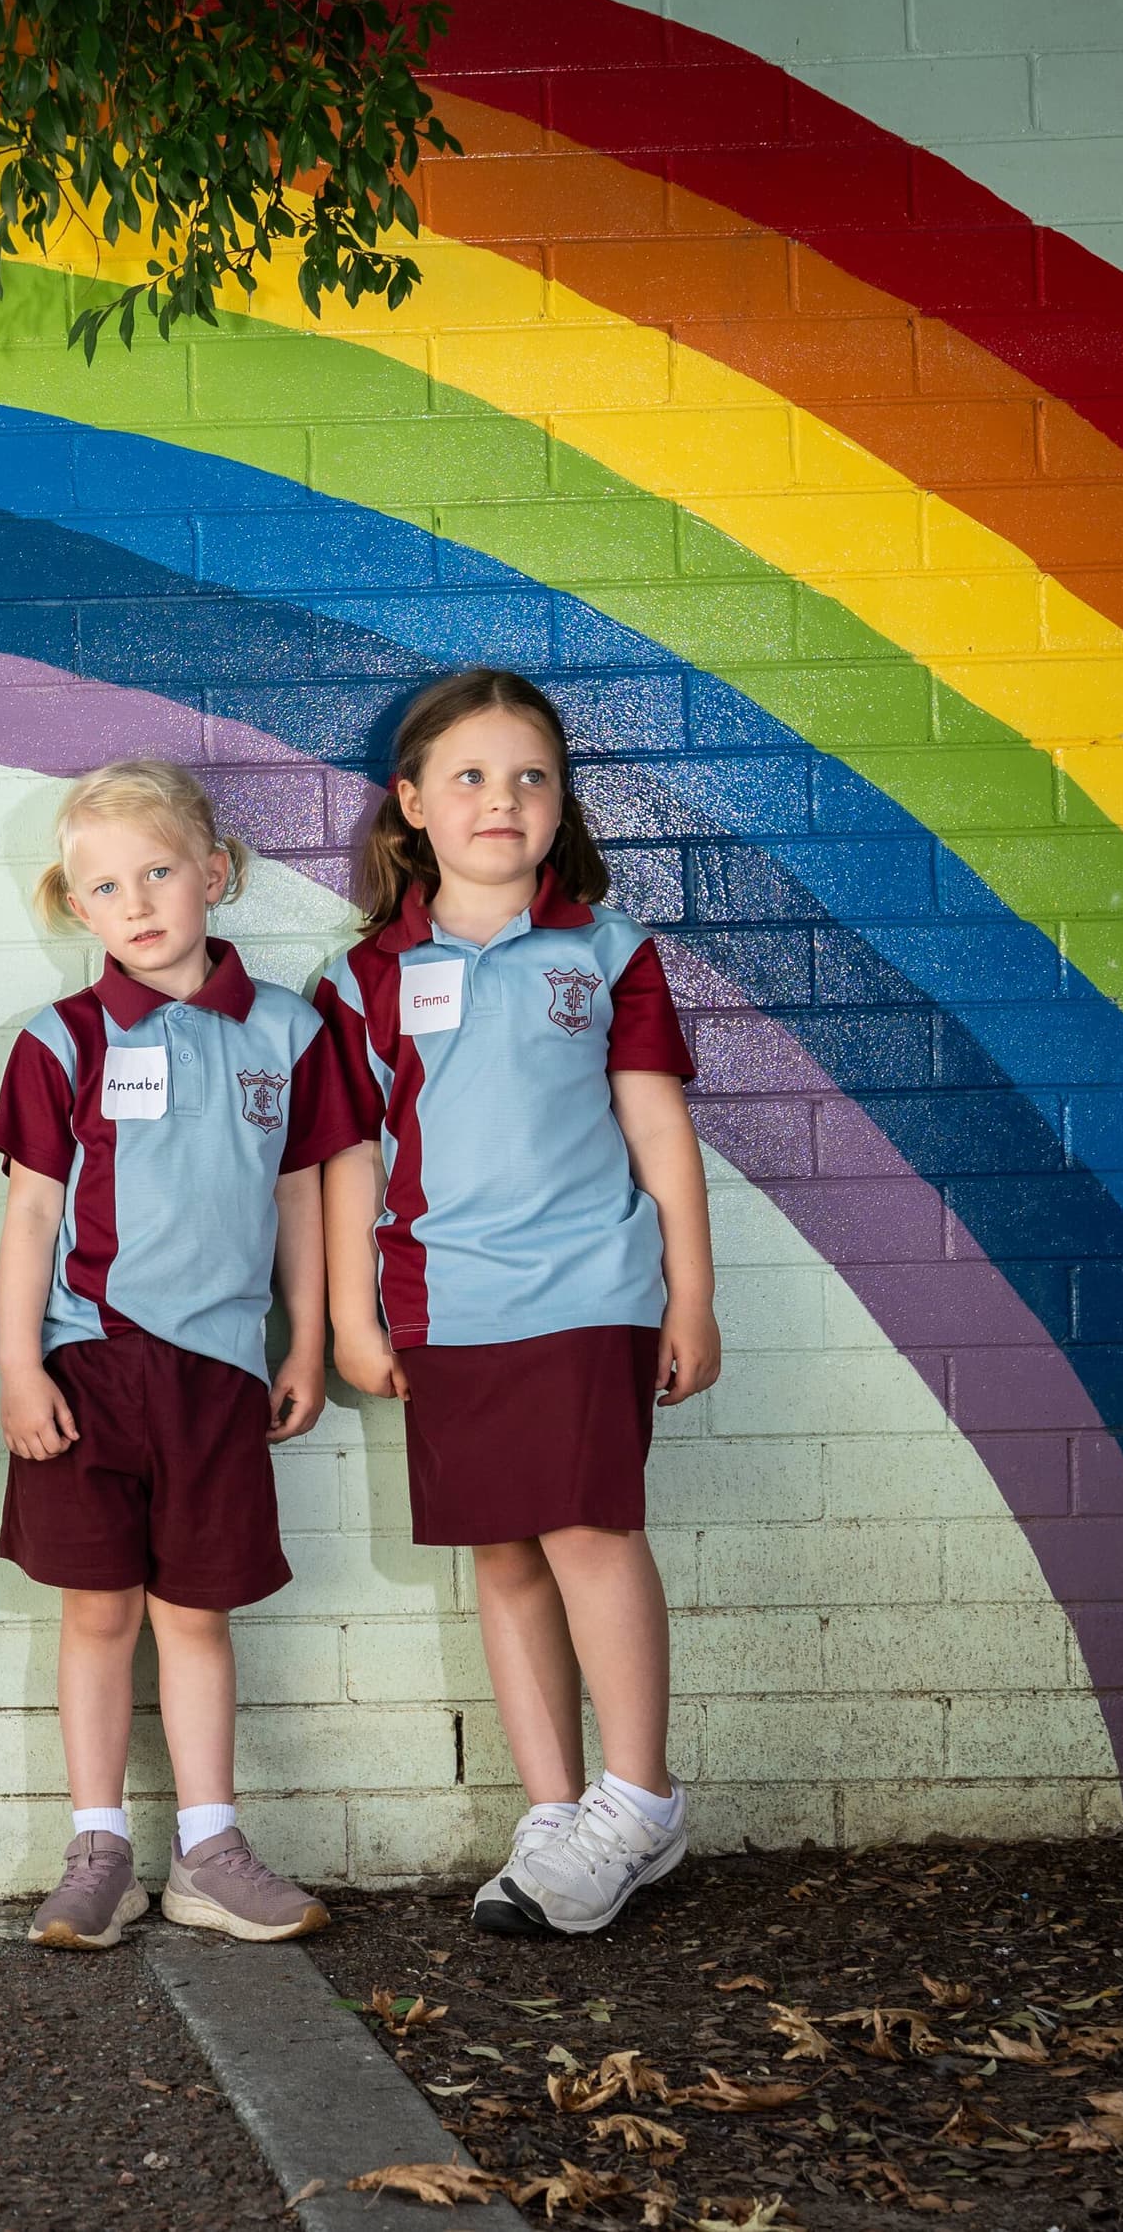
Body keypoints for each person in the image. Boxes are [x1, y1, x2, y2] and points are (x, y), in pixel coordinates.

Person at [319, 669, 721, 1937]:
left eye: (532, 775)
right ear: (413, 806)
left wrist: (691, 1297)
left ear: (562, 806)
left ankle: (640, 1799)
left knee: (589, 1530)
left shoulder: (609, 952)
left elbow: (660, 1132)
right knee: (505, 1553)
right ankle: (555, 1816)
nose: (504, 799)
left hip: (591, 1287)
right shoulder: (361, 978)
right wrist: (349, 1316)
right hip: (444, 1302)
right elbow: (348, 1162)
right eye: (473, 776)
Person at [0, 760, 365, 1949]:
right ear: (76, 906)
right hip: (89, 1367)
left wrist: (304, 1334)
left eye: (158, 871)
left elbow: (302, 1193)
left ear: (216, 873)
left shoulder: (290, 1031)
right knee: (98, 1612)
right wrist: (18, 1364)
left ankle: (209, 1847)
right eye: (106, 885)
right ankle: (97, 1845)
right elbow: (32, 1216)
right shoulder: (60, 1041)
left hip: (217, 1378)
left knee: (196, 1614)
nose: (138, 901)